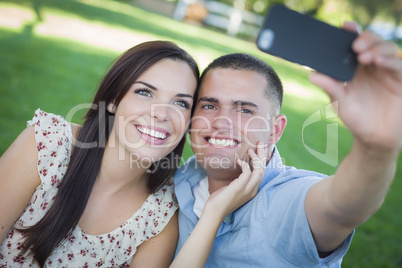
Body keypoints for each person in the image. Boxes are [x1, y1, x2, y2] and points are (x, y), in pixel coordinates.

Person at [0, 40, 266, 267]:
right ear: (114, 99)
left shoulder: (159, 217)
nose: (161, 114)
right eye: (144, 92)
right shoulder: (47, 144)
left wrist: (213, 214)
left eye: (180, 103)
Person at [173, 22, 402, 267]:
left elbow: (341, 208)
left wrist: (376, 148)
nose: (221, 121)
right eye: (209, 105)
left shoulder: (287, 200)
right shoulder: (174, 178)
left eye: (245, 110)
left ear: (275, 130)